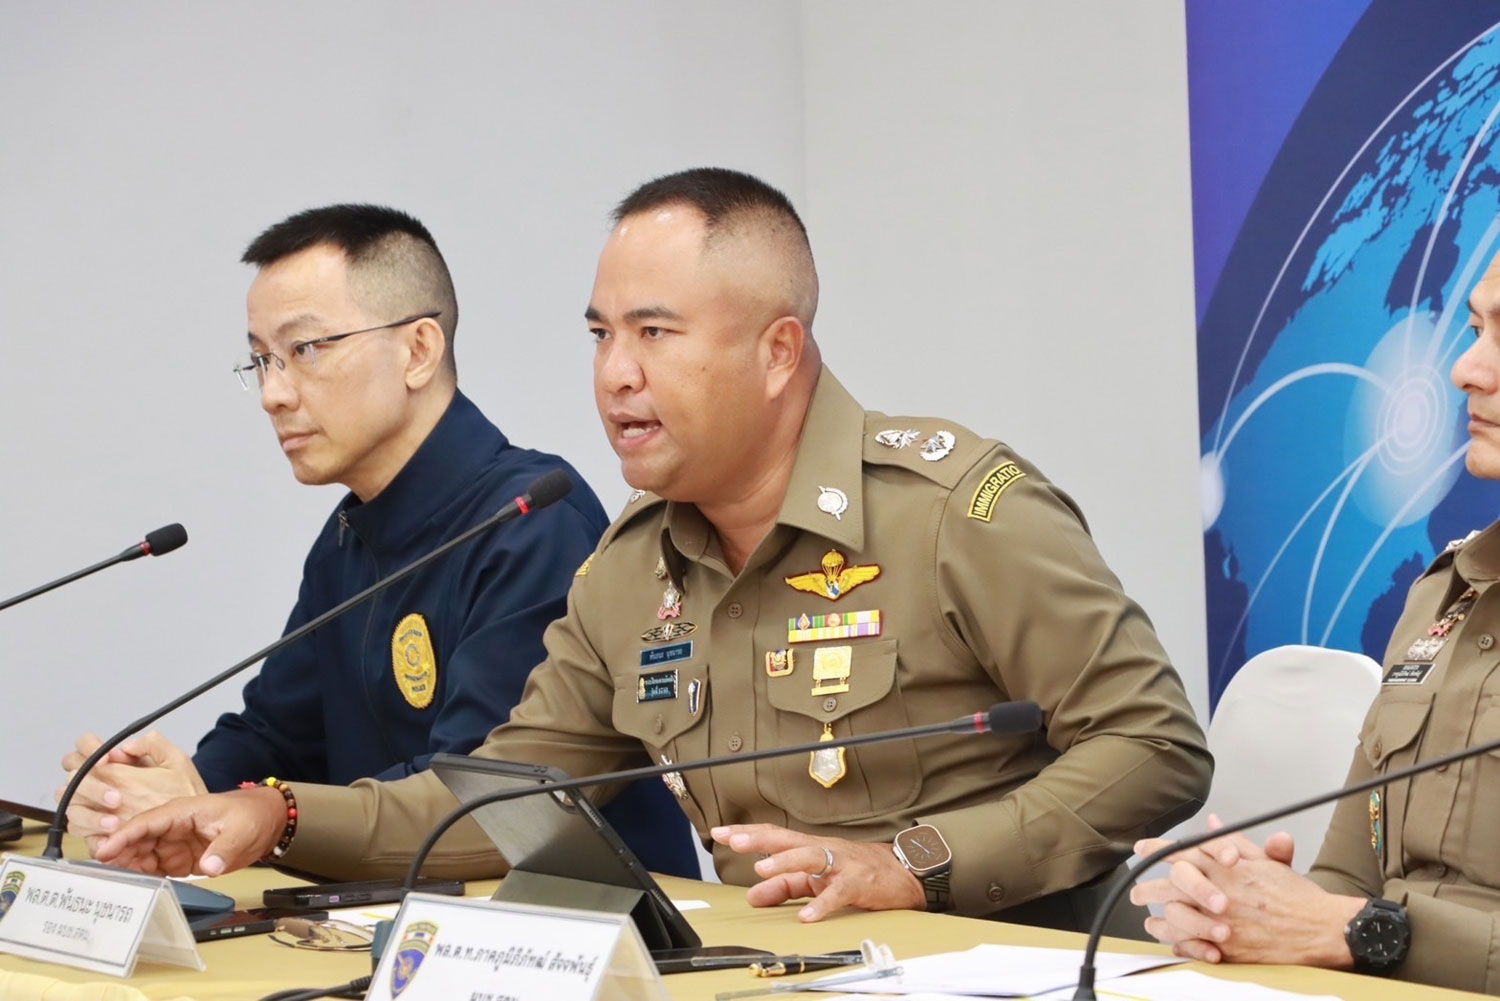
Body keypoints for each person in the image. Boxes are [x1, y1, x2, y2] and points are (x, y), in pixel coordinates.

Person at [97, 169, 1211, 930]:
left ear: (779, 353)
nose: (615, 373)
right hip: (771, 972)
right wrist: (275, 812)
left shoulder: (954, 508)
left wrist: (911, 863)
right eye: (601, 334)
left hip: (994, 963)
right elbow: (502, 796)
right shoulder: (632, 569)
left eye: (656, 333)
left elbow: (1157, 746)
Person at [64, 203, 697, 878]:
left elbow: (470, 794)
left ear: (418, 350)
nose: (273, 393)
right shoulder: (348, 535)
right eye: (261, 360)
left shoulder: (530, 519)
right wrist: (169, 794)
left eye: (305, 350)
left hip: (580, 939)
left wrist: (236, 808)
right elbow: (277, 734)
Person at [1130, 247, 1500, 993]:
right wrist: (1246, 907)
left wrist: (1352, 930)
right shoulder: (1442, 595)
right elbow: (1348, 877)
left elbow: (1354, 920)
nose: (1466, 369)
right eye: (1474, 328)